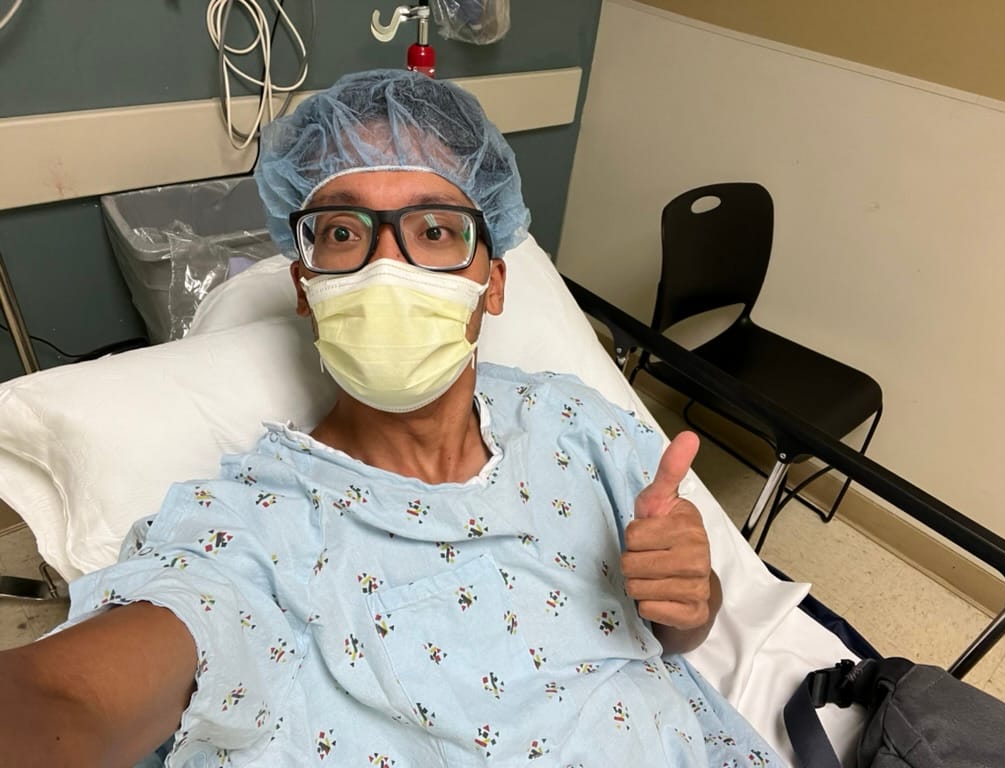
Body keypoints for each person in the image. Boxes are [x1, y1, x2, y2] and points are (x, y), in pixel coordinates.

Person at [0, 69, 783, 767]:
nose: (387, 266)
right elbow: (70, 699)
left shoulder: (571, 422)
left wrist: (694, 598)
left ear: (493, 282)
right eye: (343, 232)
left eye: (435, 230)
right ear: (306, 287)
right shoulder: (256, 529)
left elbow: (680, 628)